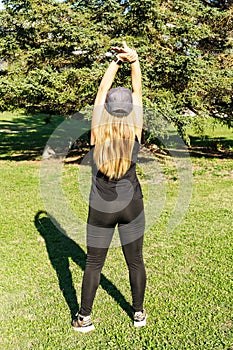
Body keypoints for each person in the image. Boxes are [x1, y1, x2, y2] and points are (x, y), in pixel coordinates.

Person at [72, 41, 147, 333]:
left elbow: (102, 92)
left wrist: (115, 61)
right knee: (136, 262)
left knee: (93, 263)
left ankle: (84, 318)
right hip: (132, 205)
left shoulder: (97, 131)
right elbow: (137, 93)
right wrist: (134, 61)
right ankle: (138, 314)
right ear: (129, 110)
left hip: (101, 207)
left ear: (105, 110)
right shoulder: (135, 129)